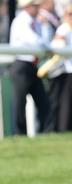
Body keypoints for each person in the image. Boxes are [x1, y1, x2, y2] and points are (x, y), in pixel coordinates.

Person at [9, 0, 50, 135]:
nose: (38, 8)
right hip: (21, 65)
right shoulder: (20, 21)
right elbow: (35, 41)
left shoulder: (36, 22)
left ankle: (46, 132)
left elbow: (44, 40)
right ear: (27, 6)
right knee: (20, 103)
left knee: (43, 102)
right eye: (35, 6)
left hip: (33, 67)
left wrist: (44, 27)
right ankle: (19, 134)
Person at [45, 2, 72, 132]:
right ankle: (65, 129)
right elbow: (57, 45)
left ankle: (71, 128)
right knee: (67, 104)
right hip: (68, 71)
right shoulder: (64, 28)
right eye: (70, 14)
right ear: (65, 15)